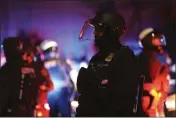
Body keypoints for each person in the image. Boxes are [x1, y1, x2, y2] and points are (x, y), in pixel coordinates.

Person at [76, 11, 140, 117]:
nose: (94, 33)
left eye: (98, 29)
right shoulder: (96, 58)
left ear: (111, 32)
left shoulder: (124, 57)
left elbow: (121, 99)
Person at [137, 27, 171, 117]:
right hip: (151, 103)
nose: (160, 41)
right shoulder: (151, 58)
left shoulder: (149, 57)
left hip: (154, 102)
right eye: (155, 38)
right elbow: (148, 85)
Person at [40, 40, 74, 117]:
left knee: (65, 113)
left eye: (54, 49)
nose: (52, 52)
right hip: (51, 93)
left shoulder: (62, 62)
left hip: (62, 92)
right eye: (50, 50)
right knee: (53, 113)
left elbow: (70, 75)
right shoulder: (42, 65)